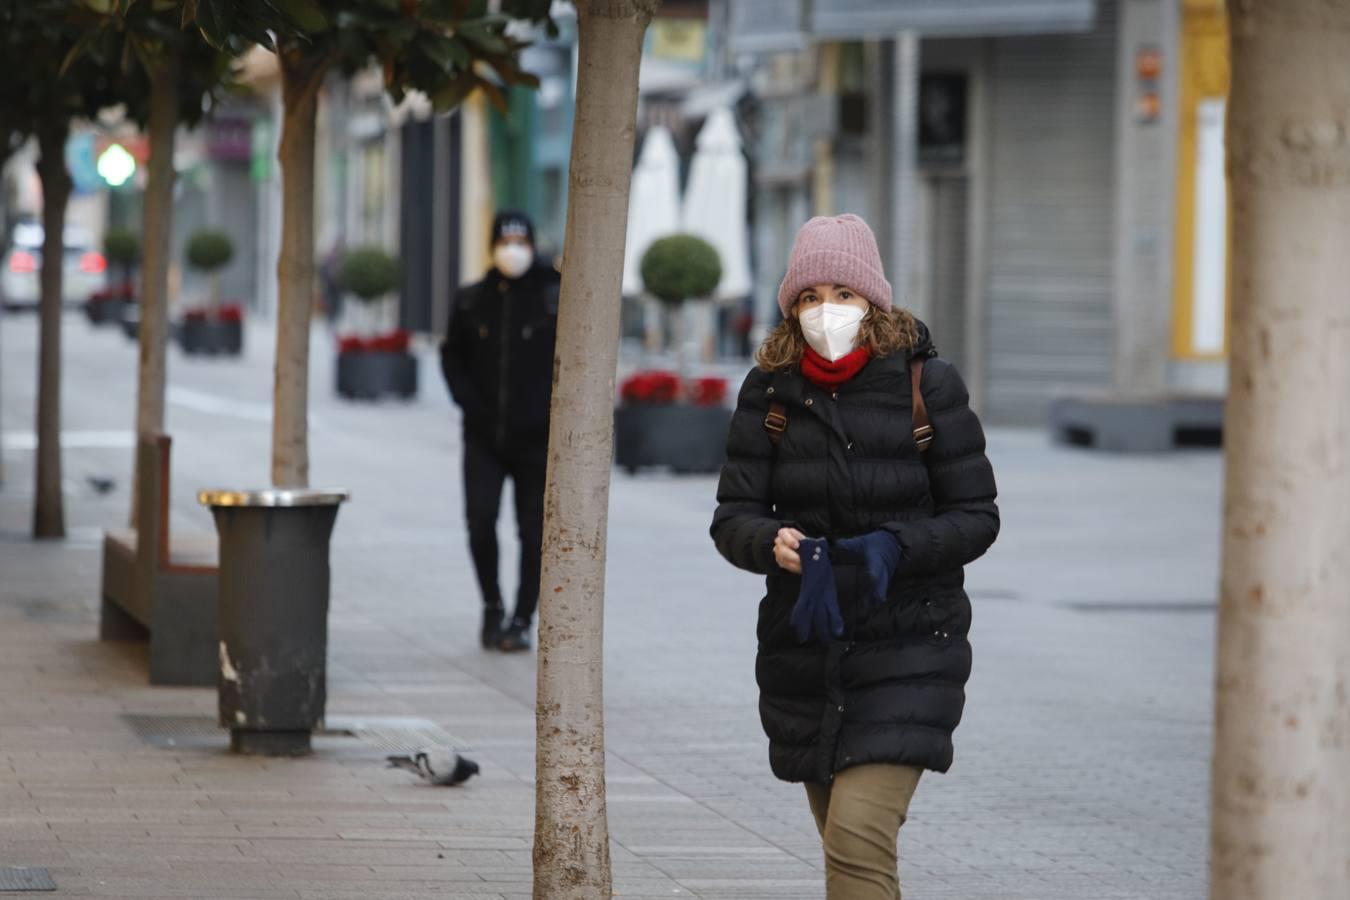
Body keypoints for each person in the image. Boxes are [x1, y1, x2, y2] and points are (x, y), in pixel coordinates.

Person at [710, 214, 1000, 899]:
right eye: (808, 297)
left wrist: (892, 547)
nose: (825, 310)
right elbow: (733, 516)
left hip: (909, 644)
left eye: (842, 291)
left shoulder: (927, 385)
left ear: (873, 300)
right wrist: (767, 542)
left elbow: (977, 517)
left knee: (855, 842)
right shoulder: (771, 391)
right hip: (807, 652)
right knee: (851, 858)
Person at [440, 211, 560, 653]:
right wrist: (467, 400)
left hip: (536, 440)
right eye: (505, 241)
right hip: (483, 437)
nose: (514, 249)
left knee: (532, 531)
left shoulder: (552, 297)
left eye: (521, 241)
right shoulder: (473, 299)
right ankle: (491, 604)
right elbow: (451, 355)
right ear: (492, 246)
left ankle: (522, 617)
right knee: (479, 521)